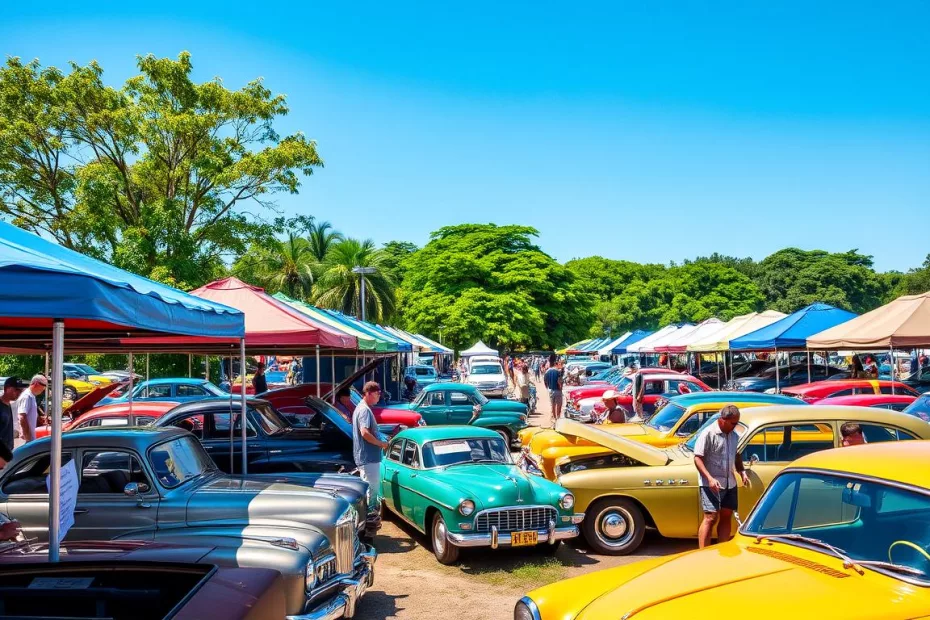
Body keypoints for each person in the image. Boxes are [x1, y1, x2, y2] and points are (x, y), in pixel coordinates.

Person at [694, 404, 749, 549]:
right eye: (733, 423)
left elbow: (736, 454)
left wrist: (741, 471)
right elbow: (697, 458)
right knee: (710, 517)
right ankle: (703, 553)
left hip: (729, 482)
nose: (735, 426)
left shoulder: (734, 435)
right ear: (723, 419)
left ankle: (721, 550)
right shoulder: (708, 434)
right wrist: (709, 478)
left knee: (726, 515)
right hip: (710, 483)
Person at [352, 381, 389, 513]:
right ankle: (369, 519)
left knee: (370, 489)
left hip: (367, 457)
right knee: (371, 490)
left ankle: (369, 518)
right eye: (377, 394)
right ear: (368, 393)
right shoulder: (364, 410)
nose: (379, 396)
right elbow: (365, 433)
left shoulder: (362, 407)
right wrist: (381, 444)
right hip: (369, 458)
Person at [15, 374, 46, 445]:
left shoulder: (32, 396)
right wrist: (27, 436)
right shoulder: (27, 396)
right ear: (36, 383)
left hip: (30, 438)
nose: (43, 389)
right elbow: (22, 416)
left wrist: (39, 419)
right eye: (43, 386)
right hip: (26, 439)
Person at [0, 377, 25, 464]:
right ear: (7, 388)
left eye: (21, 390)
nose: (19, 393)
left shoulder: (8, 404)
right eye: (16, 390)